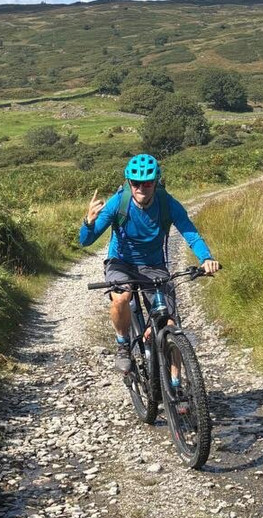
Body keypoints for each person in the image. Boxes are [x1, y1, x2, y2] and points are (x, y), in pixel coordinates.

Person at [80, 153, 220, 374]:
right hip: (121, 263)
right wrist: (88, 223)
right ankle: (123, 345)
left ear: (156, 181)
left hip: (154, 265)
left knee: (171, 325)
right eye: (135, 183)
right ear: (129, 182)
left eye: (147, 182)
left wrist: (206, 258)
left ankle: (177, 388)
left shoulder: (167, 203)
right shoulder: (119, 203)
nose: (141, 188)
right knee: (121, 298)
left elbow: (190, 233)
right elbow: (86, 241)